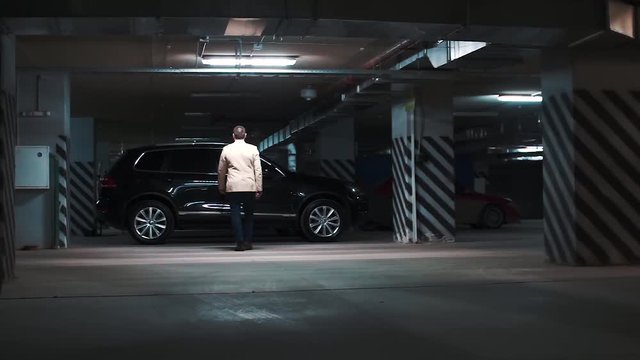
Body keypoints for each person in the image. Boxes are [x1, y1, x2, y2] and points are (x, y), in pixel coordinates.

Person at [218, 125, 263, 251]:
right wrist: (259, 187)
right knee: (249, 215)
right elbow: (258, 170)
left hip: (233, 187)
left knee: (235, 215)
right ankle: (248, 242)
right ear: (245, 135)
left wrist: (221, 186)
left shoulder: (226, 149)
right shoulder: (253, 149)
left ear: (233, 136)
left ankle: (239, 242)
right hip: (249, 186)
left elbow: (221, 170)